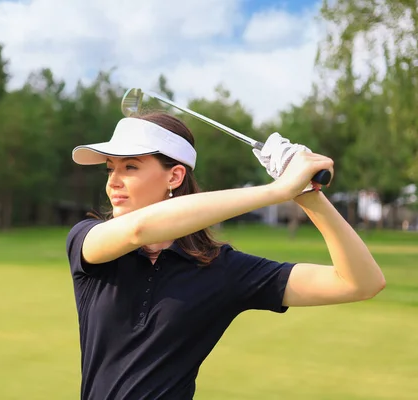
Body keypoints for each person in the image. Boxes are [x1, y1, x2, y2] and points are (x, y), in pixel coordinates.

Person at [65, 111, 386, 400]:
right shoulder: (88, 241)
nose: (113, 183)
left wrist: (308, 196)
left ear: (174, 177)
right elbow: (139, 230)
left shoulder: (220, 268)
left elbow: (360, 283)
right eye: (110, 169)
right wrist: (277, 190)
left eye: (130, 167)